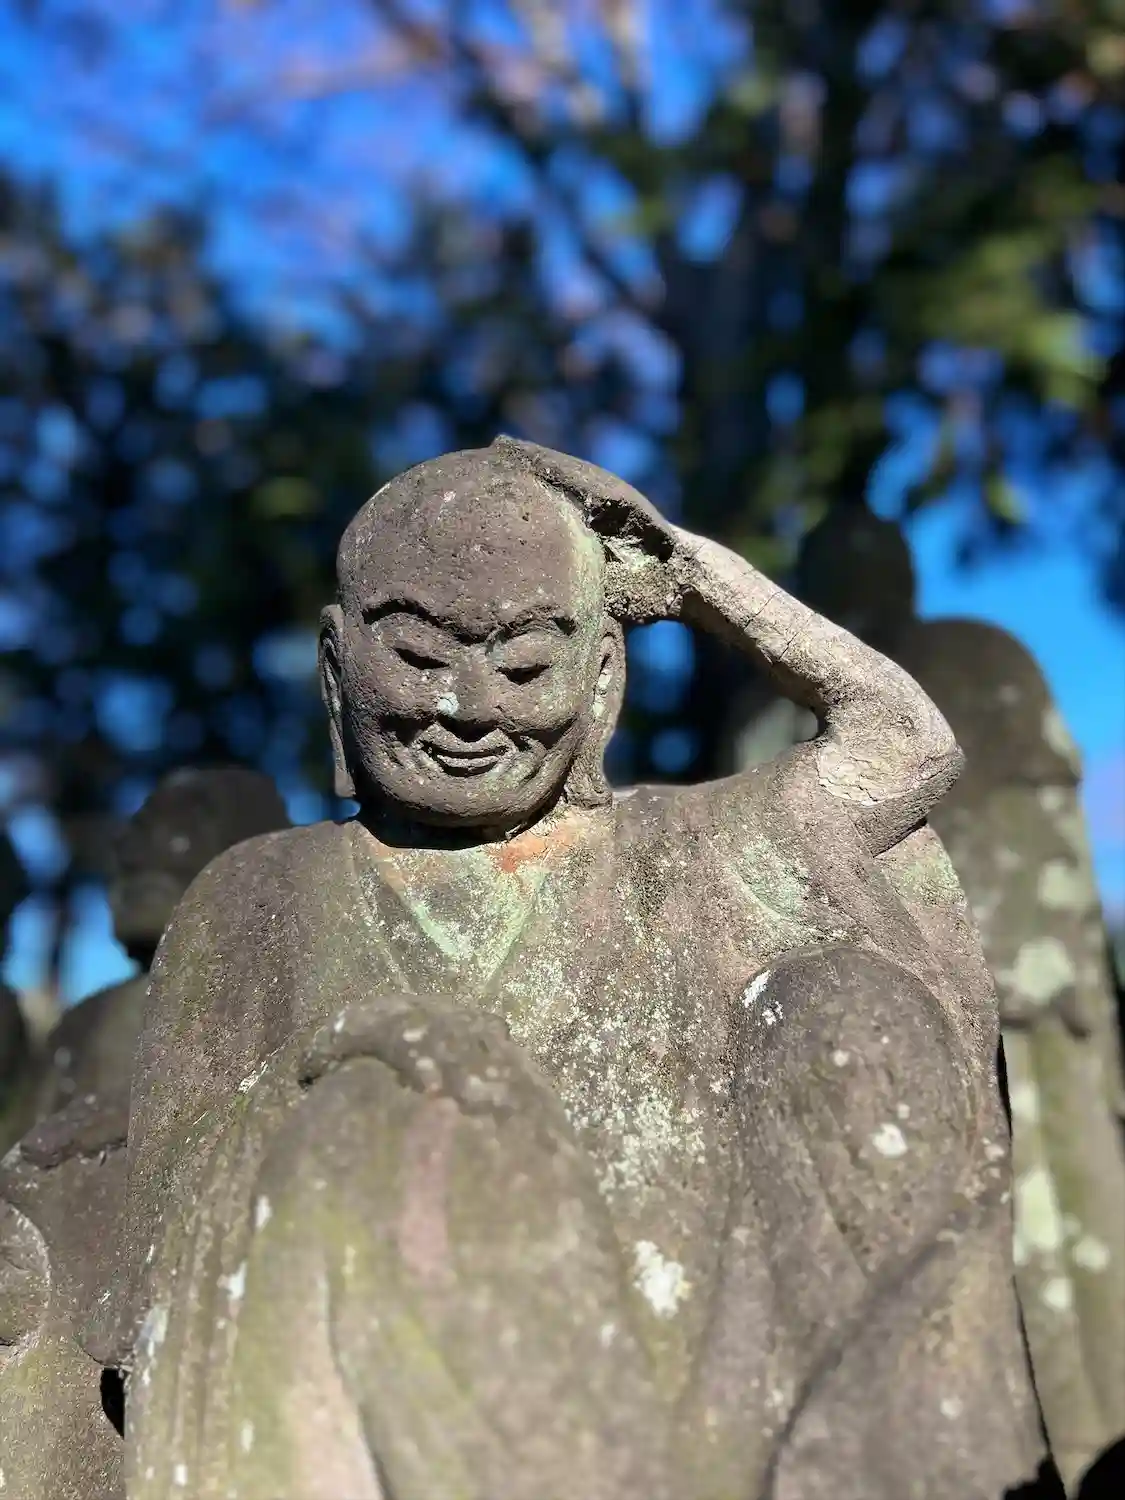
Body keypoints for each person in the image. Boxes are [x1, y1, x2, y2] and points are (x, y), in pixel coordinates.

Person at [111, 438, 1043, 1499]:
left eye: (521, 668)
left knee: (849, 1016)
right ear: (336, 668)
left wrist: (696, 580)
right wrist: (352, 1082)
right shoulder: (256, 899)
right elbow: (162, 1254)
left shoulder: (687, 854)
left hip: (689, 1414)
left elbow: (906, 746)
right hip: (362, 1401)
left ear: (601, 678)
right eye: (415, 659)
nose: (466, 709)